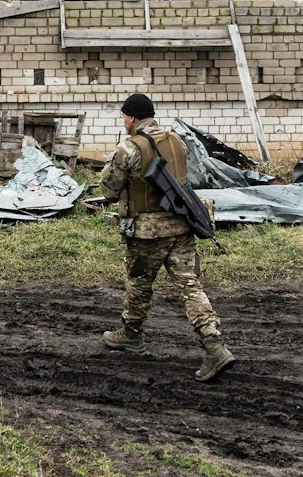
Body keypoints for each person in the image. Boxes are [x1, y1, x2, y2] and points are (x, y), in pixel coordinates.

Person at [96, 92, 236, 381]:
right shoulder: (177, 141)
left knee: (138, 284)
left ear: (131, 118)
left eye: (124, 117)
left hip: (147, 232)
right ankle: (214, 345)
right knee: (190, 285)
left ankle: (131, 334)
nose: (124, 122)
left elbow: (108, 191)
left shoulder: (128, 148)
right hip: (182, 226)